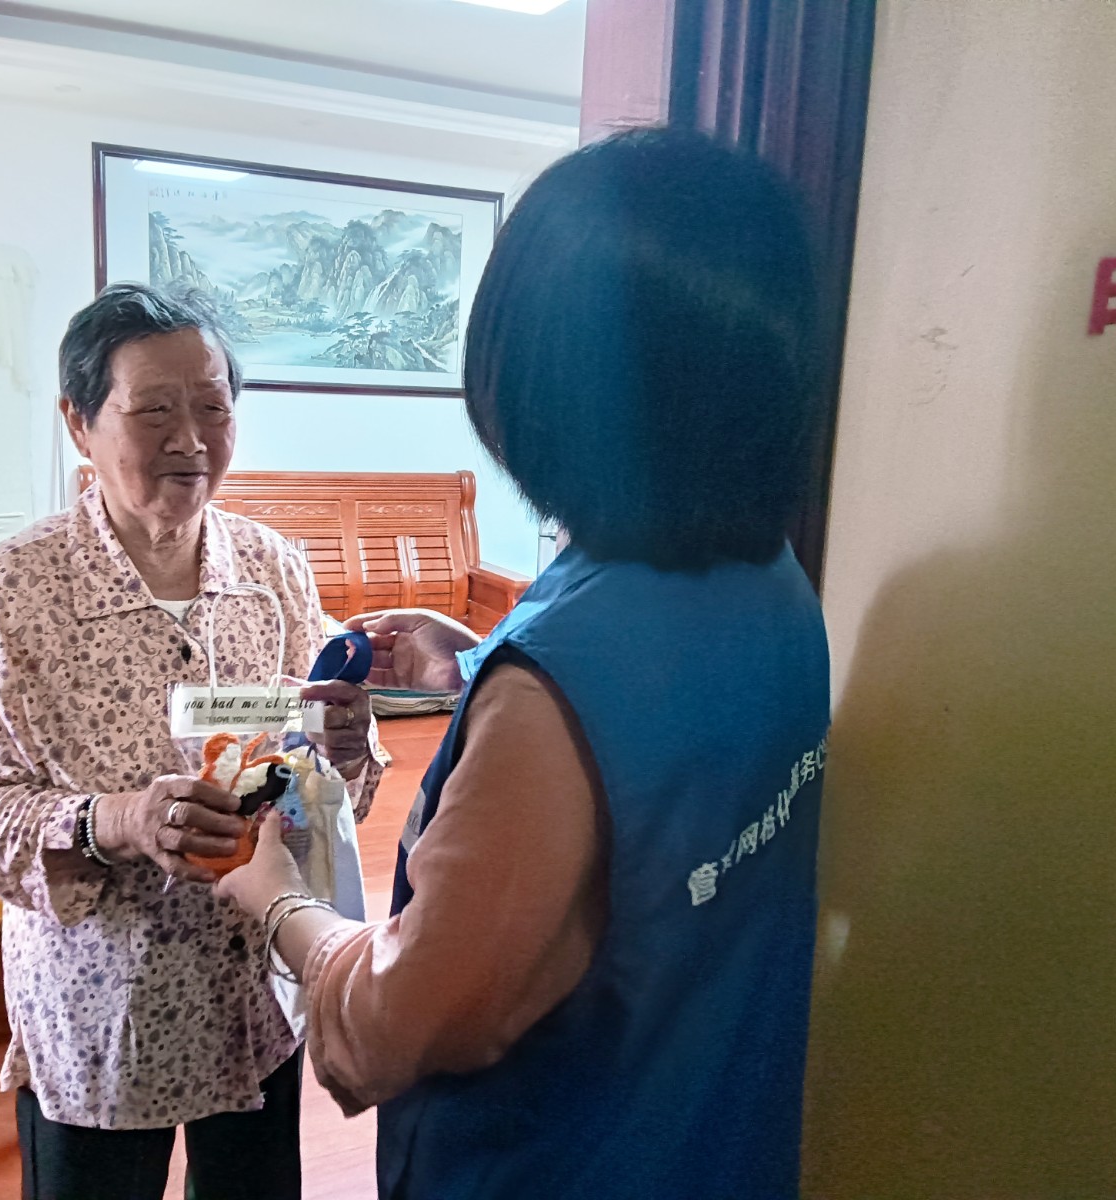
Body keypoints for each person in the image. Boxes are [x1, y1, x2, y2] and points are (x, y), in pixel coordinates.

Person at [219, 127, 832, 1200]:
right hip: (712, 1132)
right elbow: (646, 773)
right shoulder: (775, 585)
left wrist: (276, 899)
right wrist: (484, 665)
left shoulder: (561, 686)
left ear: (545, 392)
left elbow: (393, 1028)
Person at [0, 283, 379, 1200]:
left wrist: (342, 746)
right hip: (99, 1008)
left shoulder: (273, 569)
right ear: (80, 423)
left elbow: (324, 778)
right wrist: (120, 822)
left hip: (253, 991)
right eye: (155, 411)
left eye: (213, 407)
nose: (192, 439)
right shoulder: (14, 593)